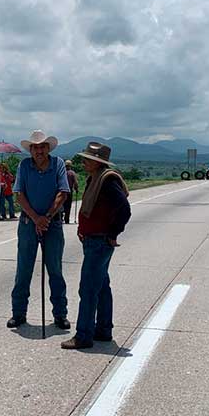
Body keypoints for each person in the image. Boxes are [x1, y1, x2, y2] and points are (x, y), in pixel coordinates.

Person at [62, 142, 131, 350]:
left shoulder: (107, 180)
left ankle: (84, 335)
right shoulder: (97, 178)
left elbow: (124, 210)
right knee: (101, 287)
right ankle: (103, 329)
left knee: (88, 288)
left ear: (97, 162)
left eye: (87, 159)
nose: (83, 162)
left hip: (99, 241)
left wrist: (112, 233)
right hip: (94, 239)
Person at [7, 130, 71, 330]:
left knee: (55, 269)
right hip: (28, 222)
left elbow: (63, 192)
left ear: (48, 148)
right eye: (35, 147)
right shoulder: (24, 165)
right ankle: (19, 313)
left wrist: (47, 218)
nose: (39, 150)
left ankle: (60, 314)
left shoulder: (58, 164)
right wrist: (36, 218)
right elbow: (19, 194)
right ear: (31, 150)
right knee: (23, 269)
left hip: (53, 223)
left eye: (43, 146)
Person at [63, 160, 80, 224]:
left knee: (61, 205)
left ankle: (61, 217)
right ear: (70, 166)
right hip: (69, 192)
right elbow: (75, 183)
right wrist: (76, 189)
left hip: (62, 192)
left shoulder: (62, 172)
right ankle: (66, 220)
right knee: (68, 206)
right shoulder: (72, 173)